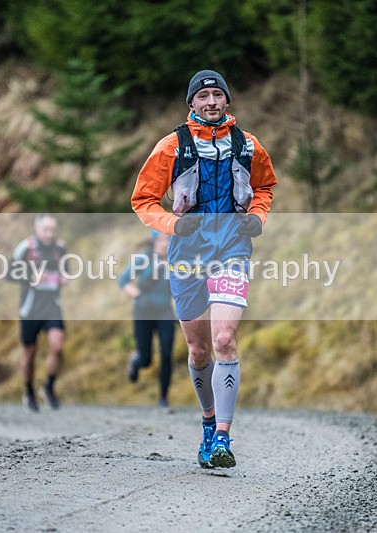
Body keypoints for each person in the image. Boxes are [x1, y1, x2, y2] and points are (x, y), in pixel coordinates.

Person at [131, 70, 276, 469]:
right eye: (204, 96)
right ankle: (209, 424)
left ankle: (223, 440)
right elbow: (143, 200)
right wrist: (174, 224)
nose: (211, 102)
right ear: (191, 103)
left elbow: (264, 187)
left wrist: (258, 218)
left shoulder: (248, 144)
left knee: (225, 338)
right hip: (187, 254)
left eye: (218, 95)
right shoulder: (171, 147)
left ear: (227, 101)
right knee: (198, 349)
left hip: (232, 248)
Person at [10, 214, 67, 412]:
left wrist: (64, 277)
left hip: (52, 305)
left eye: (52, 230)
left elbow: (64, 271)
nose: (50, 234)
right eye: (46, 230)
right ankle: (28, 391)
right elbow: (9, 273)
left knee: (57, 347)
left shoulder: (60, 248)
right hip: (30, 307)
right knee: (29, 354)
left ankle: (49, 387)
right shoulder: (25, 248)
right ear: (37, 229)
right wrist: (30, 275)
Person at [118, 230, 176, 409]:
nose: (164, 244)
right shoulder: (144, 259)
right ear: (154, 242)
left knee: (166, 353)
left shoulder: (176, 261)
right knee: (146, 359)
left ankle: (163, 397)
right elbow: (123, 280)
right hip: (143, 311)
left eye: (168, 240)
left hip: (164, 311)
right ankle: (136, 360)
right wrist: (136, 294)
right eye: (161, 240)